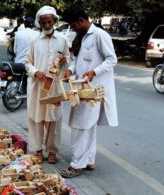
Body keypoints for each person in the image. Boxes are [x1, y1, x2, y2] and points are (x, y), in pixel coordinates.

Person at [59, 7, 118, 178]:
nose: (72, 28)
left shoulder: (100, 35)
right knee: (87, 126)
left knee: (80, 126)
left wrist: (94, 72)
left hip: (93, 91)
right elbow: (77, 60)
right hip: (81, 90)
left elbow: (111, 59)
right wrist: (70, 70)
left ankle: (76, 164)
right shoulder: (82, 37)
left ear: (81, 20)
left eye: (73, 25)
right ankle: (89, 160)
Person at [25, 6, 70, 164]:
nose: (46, 25)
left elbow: (69, 62)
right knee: (36, 118)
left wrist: (65, 62)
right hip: (38, 86)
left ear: (55, 21)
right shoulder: (34, 41)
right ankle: (37, 150)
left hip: (55, 87)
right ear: (40, 23)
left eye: (49, 21)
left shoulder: (63, 40)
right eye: (43, 22)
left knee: (54, 119)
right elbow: (27, 63)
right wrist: (35, 71)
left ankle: (52, 151)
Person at [14, 16, 39, 93]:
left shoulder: (18, 34)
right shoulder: (37, 34)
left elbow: (15, 51)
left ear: (24, 24)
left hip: (17, 63)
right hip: (29, 65)